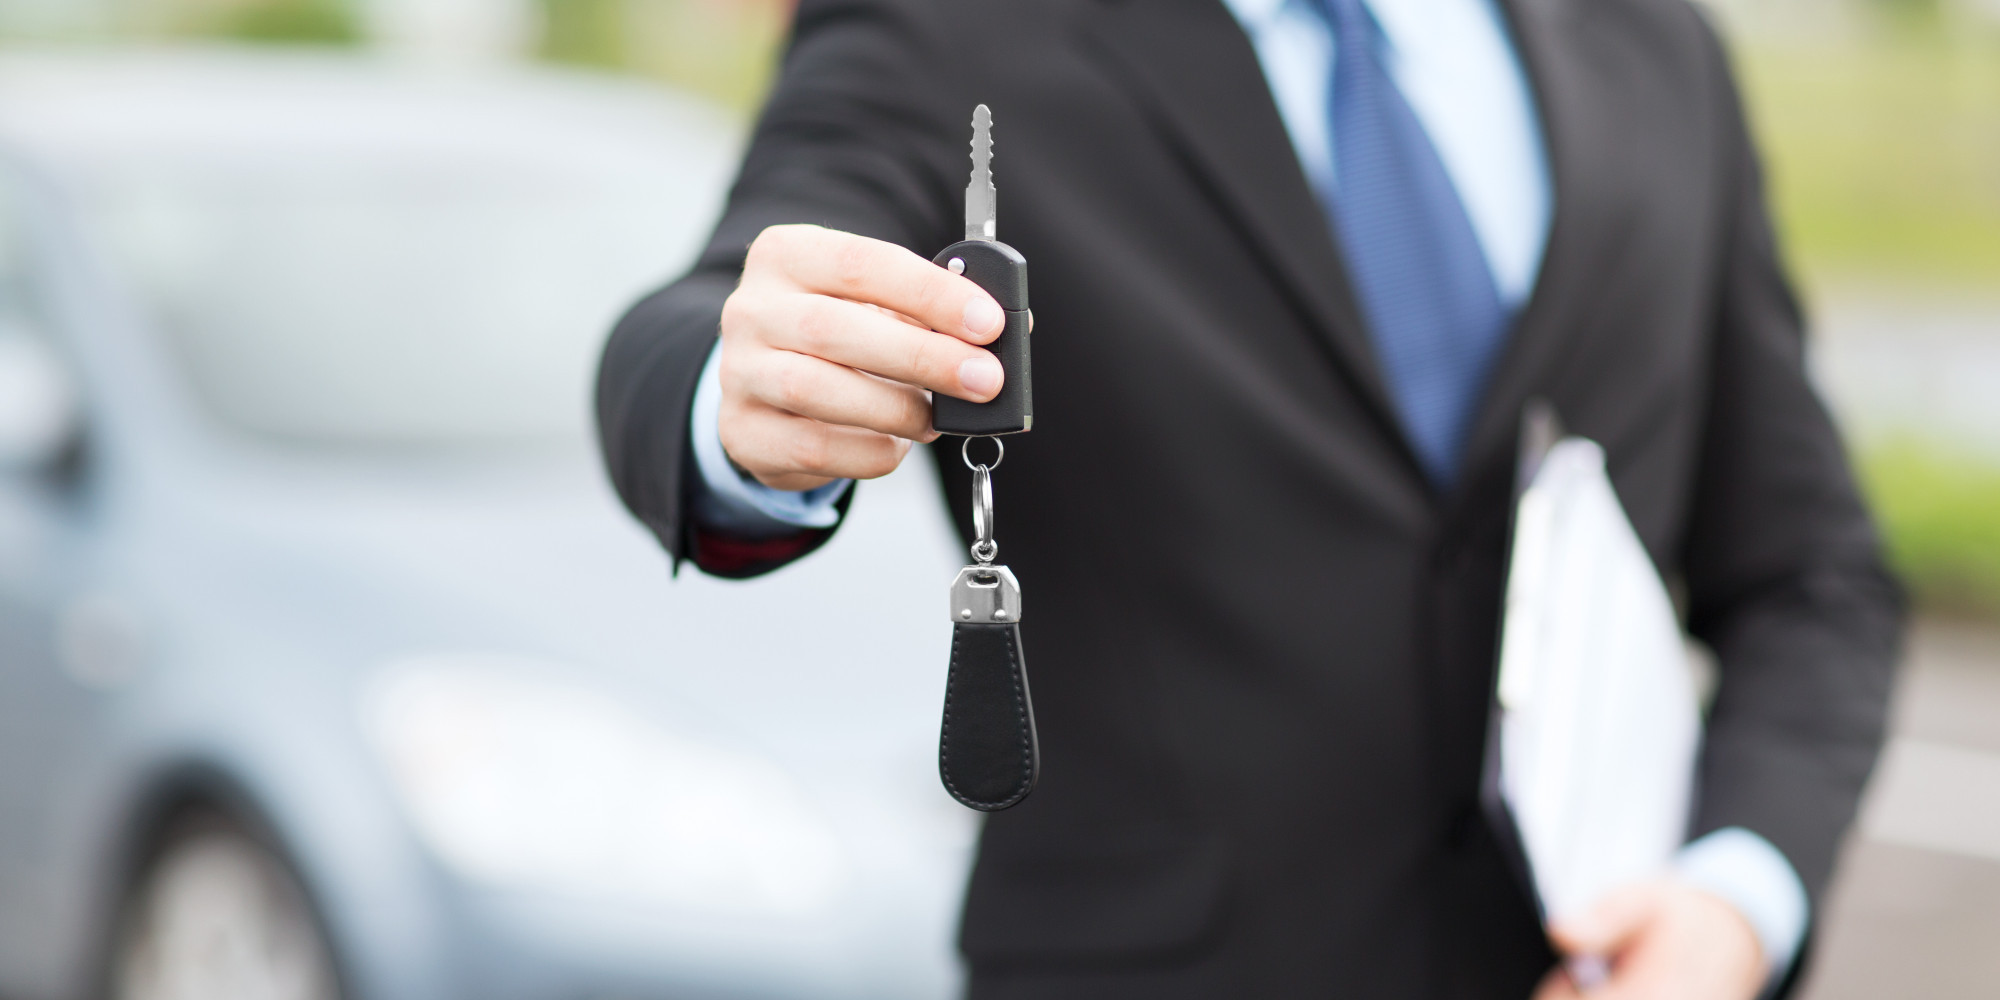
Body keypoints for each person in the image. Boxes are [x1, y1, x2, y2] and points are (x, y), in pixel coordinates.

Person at [595, 0, 1904, 995]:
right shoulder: (950, 30)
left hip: (1588, 960)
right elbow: (691, 330)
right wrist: (737, 398)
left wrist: (1732, 906)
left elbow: (1812, 576)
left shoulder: (1656, 42)